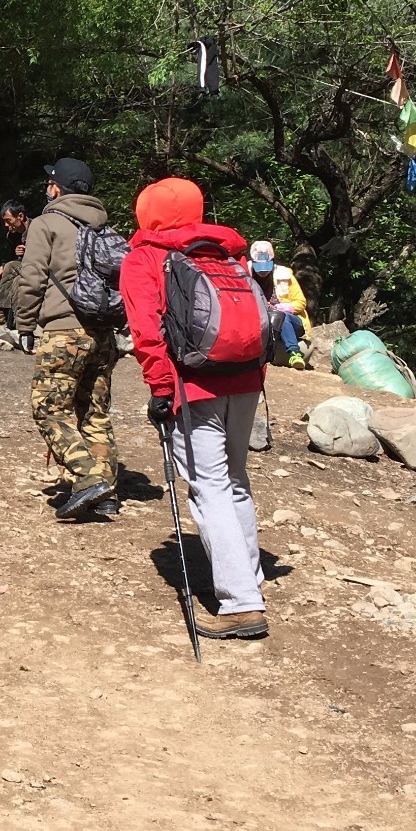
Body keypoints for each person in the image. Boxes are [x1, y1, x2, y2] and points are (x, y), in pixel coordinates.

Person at [120, 176, 270, 641]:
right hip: (245, 379)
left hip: (193, 386)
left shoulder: (144, 258)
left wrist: (162, 389)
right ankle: (249, 575)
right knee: (235, 479)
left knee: (208, 487)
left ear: (146, 213)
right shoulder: (226, 254)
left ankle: (241, 603)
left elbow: (146, 332)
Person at [15, 158, 120, 520]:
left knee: (48, 409)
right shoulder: (105, 227)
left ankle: (88, 477)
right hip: (103, 334)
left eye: (50, 182)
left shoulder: (46, 224)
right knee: (93, 412)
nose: (47, 186)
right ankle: (106, 490)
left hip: (63, 331)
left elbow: (31, 278)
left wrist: (25, 323)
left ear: (57, 187)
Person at [250, 240, 312, 368]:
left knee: (280, 316)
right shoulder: (244, 273)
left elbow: (301, 302)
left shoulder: (285, 275)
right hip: (261, 321)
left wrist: (284, 308)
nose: (263, 272)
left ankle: (294, 353)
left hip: (291, 320)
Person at [0, 199, 30, 330]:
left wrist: (28, 251)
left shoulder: (38, 229)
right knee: (12, 274)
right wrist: (3, 266)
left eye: (9, 220)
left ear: (21, 216)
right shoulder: (12, 236)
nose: (6, 225)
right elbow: (11, 258)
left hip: (41, 267)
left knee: (10, 267)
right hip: (23, 268)